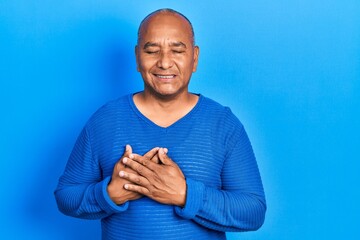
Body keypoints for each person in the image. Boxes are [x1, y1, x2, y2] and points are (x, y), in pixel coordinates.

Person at [55, 8, 266, 240]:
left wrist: (185, 194)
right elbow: (66, 196)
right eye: (152, 51)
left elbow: (253, 212)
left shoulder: (223, 124)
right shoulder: (105, 120)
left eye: (177, 50)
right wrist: (109, 194)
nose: (165, 63)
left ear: (194, 58)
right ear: (137, 58)